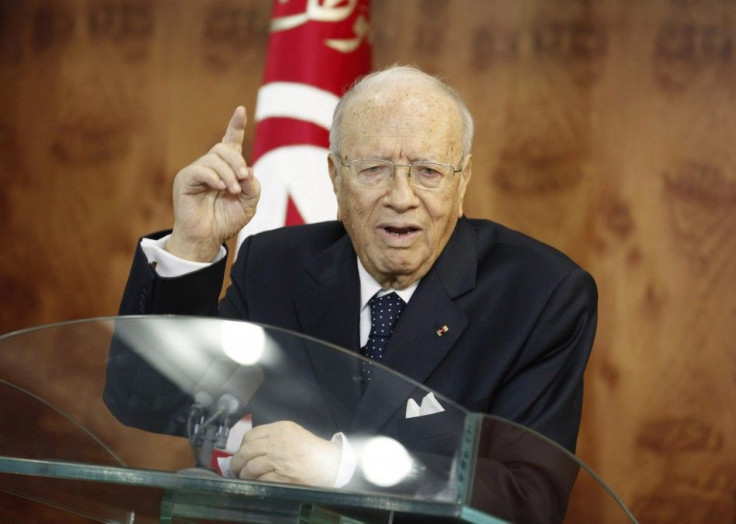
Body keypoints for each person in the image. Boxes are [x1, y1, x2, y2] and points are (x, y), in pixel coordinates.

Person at [105, 65, 597, 521]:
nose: (401, 197)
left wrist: (345, 468)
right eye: (374, 169)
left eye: (428, 171)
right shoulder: (277, 266)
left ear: (462, 179)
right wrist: (192, 243)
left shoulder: (540, 295)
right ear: (336, 177)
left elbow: (529, 499)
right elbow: (147, 401)